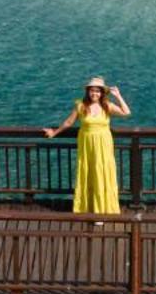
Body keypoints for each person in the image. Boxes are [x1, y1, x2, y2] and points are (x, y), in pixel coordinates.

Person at [45, 77, 131, 214]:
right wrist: (55, 132)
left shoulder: (107, 105)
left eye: (97, 91)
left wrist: (118, 96)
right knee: (88, 174)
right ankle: (89, 208)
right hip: (87, 146)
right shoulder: (81, 106)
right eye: (92, 90)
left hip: (103, 146)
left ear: (102, 93)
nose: (94, 94)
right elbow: (68, 122)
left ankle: (103, 210)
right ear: (88, 92)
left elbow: (126, 112)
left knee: (103, 174)